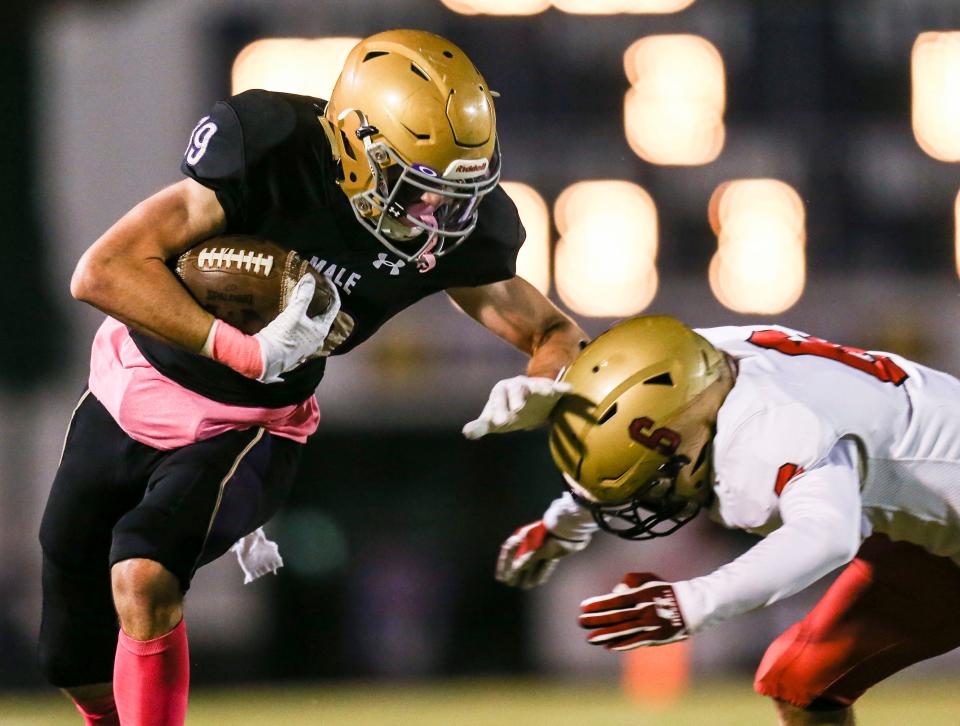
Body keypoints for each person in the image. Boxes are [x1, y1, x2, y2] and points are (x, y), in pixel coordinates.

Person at [40, 29, 586, 726]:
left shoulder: (458, 237)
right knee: (69, 655)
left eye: (456, 196)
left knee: (144, 574)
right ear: (356, 149)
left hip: (252, 427)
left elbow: (552, 333)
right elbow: (103, 270)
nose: (437, 220)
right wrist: (245, 349)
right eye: (417, 191)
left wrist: (537, 389)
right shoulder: (271, 150)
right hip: (131, 386)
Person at [494, 315, 960, 726]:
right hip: (934, 535)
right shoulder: (692, 365)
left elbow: (825, 536)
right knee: (800, 680)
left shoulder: (772, 428)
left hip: (938, 524)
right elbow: (632, 435)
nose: (652, 496)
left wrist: (693, 602)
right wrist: (565, 522)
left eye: (655, 480)